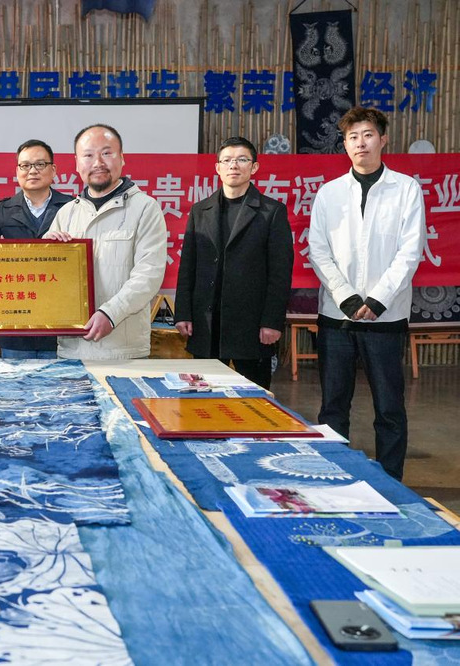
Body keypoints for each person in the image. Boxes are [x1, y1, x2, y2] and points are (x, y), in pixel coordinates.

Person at [308, 106, 425, 481]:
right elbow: (318, 250)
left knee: (389, 407)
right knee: (333, 407)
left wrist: (377, 300)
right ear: (344, 144)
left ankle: (390, 483)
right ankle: (335, 478)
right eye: (352, 137)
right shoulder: (329, 193)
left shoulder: (406, 189)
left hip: (386, 317)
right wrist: (346, 297)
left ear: (383, 139)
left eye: (368, 135)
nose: (361, 143)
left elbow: (410, 251)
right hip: (337, 317)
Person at [174, 137, 293, 390]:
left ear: (254, 167)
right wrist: (183, 313)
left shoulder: (271, 211)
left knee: (253, 398)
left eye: (241, 159)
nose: (233, 165)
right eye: (227, 160)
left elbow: (280, 273)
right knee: (203, 398)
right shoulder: (200, 210)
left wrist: (272, 321)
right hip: (206, 325)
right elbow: (188, 267)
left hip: (251, 327)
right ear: (217, 167)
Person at [43, 124, 167, 360]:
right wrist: (45, 254)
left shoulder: (145, 208)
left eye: (107, 153)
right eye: (88, 155)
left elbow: (148, 275)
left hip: (124, 350)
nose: (98, 162)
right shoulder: (66, 213)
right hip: (72, 350)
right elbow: (48, 281)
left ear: (122, 158)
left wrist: (111, 314)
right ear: (77, 163)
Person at [0, 139, 72, 359]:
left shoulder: (72, 207)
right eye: (25, 165)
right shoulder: (1, 210)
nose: (32, 171)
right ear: (17, 171)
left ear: (53, 170)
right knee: (17, 380)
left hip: (60, 320)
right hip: (16, 323)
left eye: (40, 164)